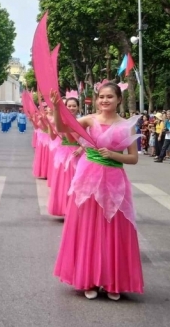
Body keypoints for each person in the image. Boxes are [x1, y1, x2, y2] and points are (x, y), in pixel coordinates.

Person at [51, 83, 143, 300]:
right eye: (101, 96)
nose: (104, 100)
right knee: (89, 229)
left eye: (109, 97)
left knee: (113, 230)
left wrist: (113, 155)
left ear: (119, 99)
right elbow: (63, 129)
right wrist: (56, 108)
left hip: (114, 182)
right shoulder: (89, 120)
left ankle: (112, 282)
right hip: (88, 179)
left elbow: (133, 158)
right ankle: (88, 280)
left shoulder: (126, 126)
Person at [47, 97, 84, 217]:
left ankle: (75, 210)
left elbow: (89, 140)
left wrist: (80, 148)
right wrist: (49, 124)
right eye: (69, 106)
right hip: (63, 155)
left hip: (77, 155)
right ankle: (63, 208)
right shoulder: (60, 122)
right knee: (63, 182)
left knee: (75, 182)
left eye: (74, 106)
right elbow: (52, 137)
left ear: (78, 107)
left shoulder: (83, 121)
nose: (72, 108)